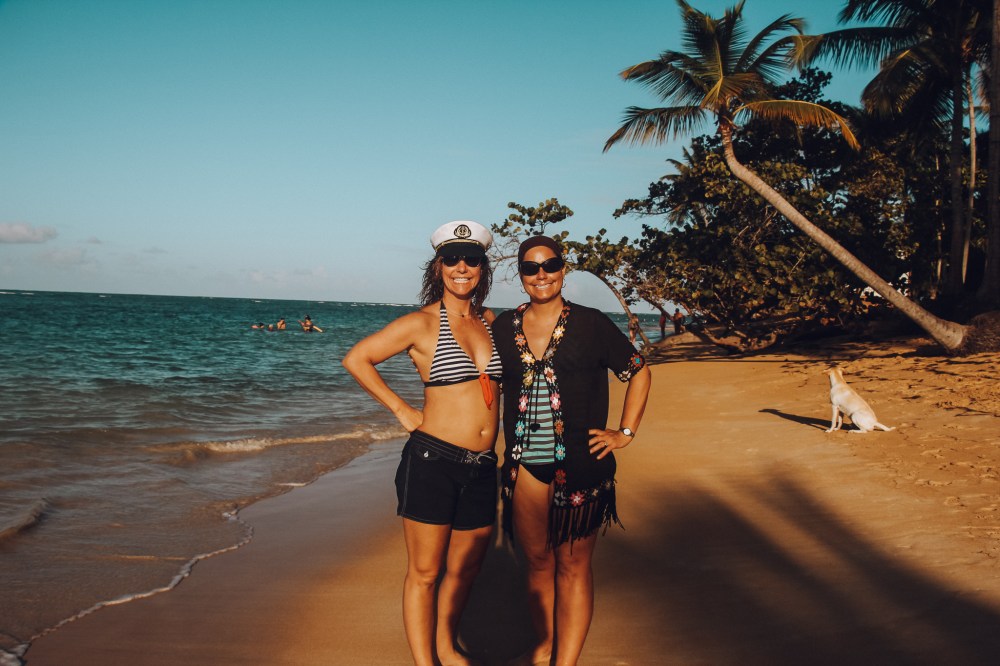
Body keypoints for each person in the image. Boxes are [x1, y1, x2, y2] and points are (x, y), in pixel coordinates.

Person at [342, 221, 501, 666]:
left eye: (472, 259)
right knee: (426, 573)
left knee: (466, 569)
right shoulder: (421, 323)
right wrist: (401, 410)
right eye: (451, 258)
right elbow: (357, 358)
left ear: (483, 267)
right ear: (438, 266)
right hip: (434, 461)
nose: (462, 267)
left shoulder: (491, 322)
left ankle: (446, 649)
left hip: (483, 466)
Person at [492, 236, 651, 666]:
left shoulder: (591, 323)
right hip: (525, 465)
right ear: (520, 275)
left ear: (563, 269)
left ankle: (566, 661)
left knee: (573, 567)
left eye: (550, 265)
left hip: (583, 465)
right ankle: (545, 648)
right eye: (530, 268)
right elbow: (477, 370)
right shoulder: (504, 326)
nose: (541, 274)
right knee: (538, 563)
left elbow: (638, 370)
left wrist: (625, 431)